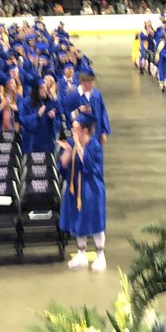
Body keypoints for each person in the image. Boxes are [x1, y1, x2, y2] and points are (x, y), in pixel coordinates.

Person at [59, 110, 106, 271]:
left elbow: (91, 167)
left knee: (95, 220)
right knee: (78, 219)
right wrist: (67, 152)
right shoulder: (72, 143)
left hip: (91, 188)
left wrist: (79, 148)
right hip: (75, 187)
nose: (73, 131)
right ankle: (81, 254)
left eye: (76, 128)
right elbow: (64, 165)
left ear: (85, 130)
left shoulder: (94, 146)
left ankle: (100, 256)